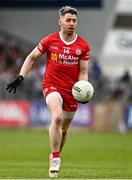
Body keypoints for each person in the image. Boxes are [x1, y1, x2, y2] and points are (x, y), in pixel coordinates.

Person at [6, 6, 91, 178]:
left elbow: (83, 71)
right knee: (57, 117)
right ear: (60, 21)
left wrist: (84, 88)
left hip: (71, 91)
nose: (71, 23)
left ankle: (54, 152)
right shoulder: (49, 40)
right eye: (68, 20)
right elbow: (31, 57)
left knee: (64, 130)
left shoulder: (83, 45)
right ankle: (56, 159)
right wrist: (20, 77)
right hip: (51, 86)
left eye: (74, 20)